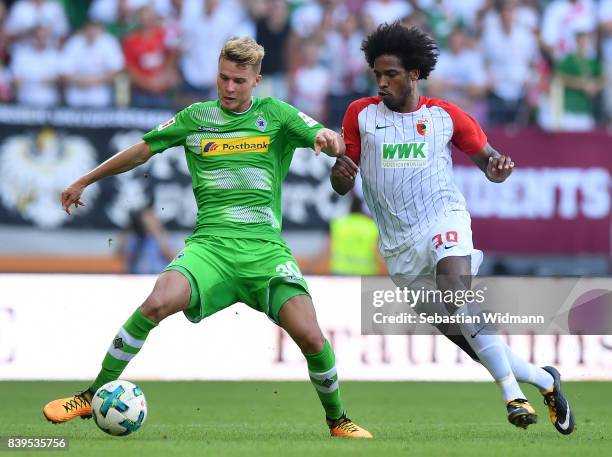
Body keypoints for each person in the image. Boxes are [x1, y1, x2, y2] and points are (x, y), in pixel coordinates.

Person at [43, 36, 372, 439]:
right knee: (156, 303)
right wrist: (86, 178)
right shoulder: (196, 117)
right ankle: (91, 395)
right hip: (210, 248)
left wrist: (329, 141)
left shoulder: (277, 114)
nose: (229, 88)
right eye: (223, 78)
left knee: (309, 335)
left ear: (257, 81)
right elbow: (142, 150)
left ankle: (338, 420)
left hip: (264, 250)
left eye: (238, 80)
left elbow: (326, 136)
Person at [330, 22, 575, 435]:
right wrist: (339, 172)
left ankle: (513, 395)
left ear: (414, 74)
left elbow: (491, 165)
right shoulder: (360, 114)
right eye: (377, 75)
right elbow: (342, 184)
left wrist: (498, 168)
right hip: (399, 247)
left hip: (444, 220)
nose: (383, 83)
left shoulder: (444, 117)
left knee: (454, 288)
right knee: (469, 338)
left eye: (391, 74)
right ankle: (546, 381)